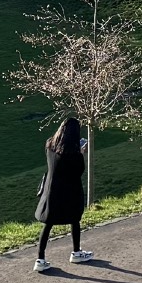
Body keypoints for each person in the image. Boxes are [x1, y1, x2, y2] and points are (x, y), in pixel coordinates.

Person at [34, 116, 92, 272]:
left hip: (51, 190)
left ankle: (40, 259)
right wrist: (81, 152)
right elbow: (78, 171)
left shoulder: (50, 145)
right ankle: (77, 252)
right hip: (69, 192)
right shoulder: (72, 154)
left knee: (48, 223)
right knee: (74, 219)